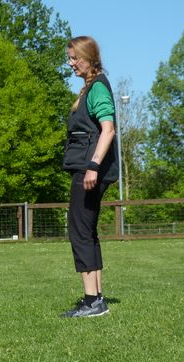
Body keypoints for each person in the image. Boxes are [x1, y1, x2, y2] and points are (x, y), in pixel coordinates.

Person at [61, 36, 119, 318]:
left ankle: (92, 302)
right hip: (87, 168)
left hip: (89, 170)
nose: (71, 64)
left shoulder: (97, 88)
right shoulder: (91, 87)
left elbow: (108, 130)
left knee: (79, 232)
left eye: (75, 58)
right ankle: (96, 298)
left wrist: (93, 166)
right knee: (88, 231)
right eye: (69, 58)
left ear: (90, 58)